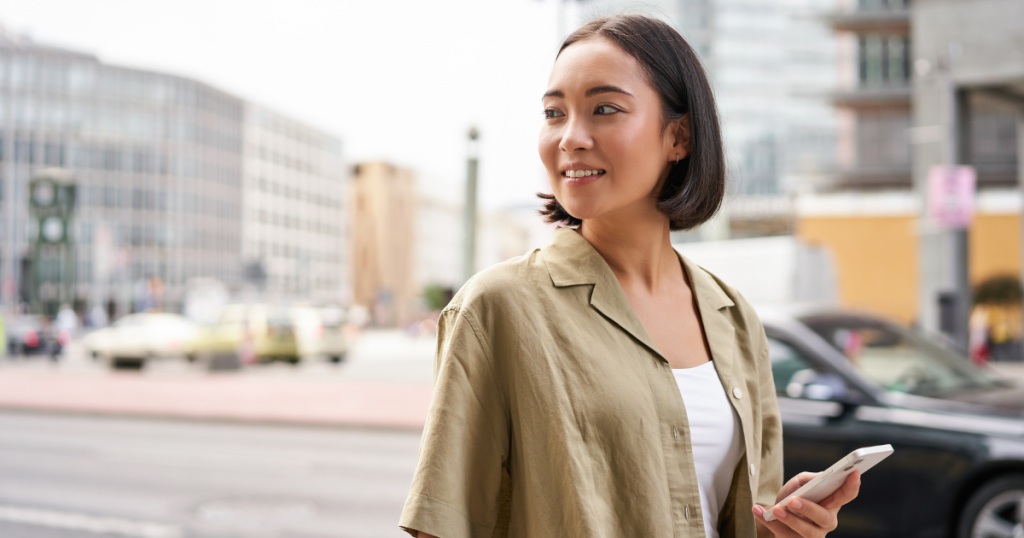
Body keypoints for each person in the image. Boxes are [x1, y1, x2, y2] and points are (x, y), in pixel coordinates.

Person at [400, 14, 860, 538]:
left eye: (604, 109)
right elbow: (442, 527)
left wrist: (787, 527)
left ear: (679, 137)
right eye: (554, 113)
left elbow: (738, 517)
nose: (570, 137)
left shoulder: (733, 316)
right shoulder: (497, 308)